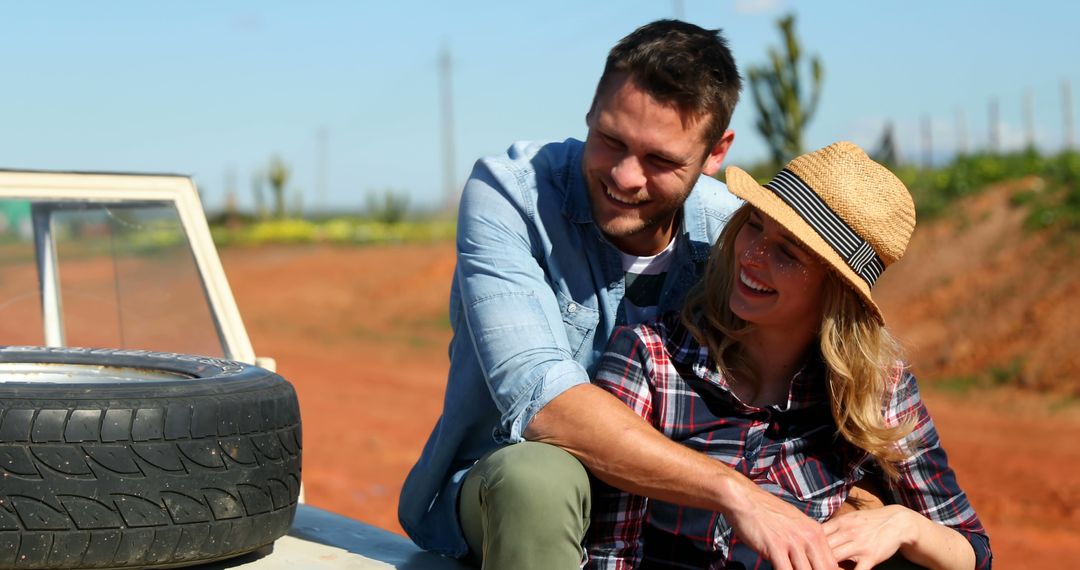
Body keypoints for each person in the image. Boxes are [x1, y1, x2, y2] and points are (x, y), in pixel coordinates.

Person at [399, 19, 845, 570]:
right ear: (590, 110)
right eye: (611, 140)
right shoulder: (510, 198)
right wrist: (735, 492)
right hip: (513, 491)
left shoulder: (734, 236)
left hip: (665, 506)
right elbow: (546, 407)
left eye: (660, 160)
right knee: (538, 479)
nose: (625, 176)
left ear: (715, 152)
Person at [586, 141, 992, 569]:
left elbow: (972, 549)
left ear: (835, 292)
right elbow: (612, 554)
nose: (753, 255)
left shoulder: (876, 388)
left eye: (787, 253)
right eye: (755, 225)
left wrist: (902, 524)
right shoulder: (651, 359)